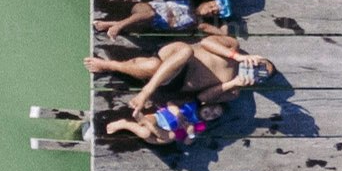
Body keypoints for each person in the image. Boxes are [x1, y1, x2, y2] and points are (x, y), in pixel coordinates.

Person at [89, 31, 272, 112]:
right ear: (257, 57)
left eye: (262, 74)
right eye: (261, 64)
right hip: (175, 54)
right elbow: (207, 42)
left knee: (152, 66)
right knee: (186, 51)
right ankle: (145, 91)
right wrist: (235, 56)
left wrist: (232, 83)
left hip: (177, 81)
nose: (257, 69)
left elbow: (203, 99)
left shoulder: (234, 92)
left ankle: (112, 66)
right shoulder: (234, 46)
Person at [93, 0, 237, 41]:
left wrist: (225, 20)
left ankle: (110, 24)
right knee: (148, 13)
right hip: (145, 8)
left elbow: (223, 34)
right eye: (212, 5)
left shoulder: (199, 23)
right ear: (207, 0)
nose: (210, 10)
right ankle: (118, 26)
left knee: (147, 21)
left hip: (149, 25)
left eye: (214, 12)